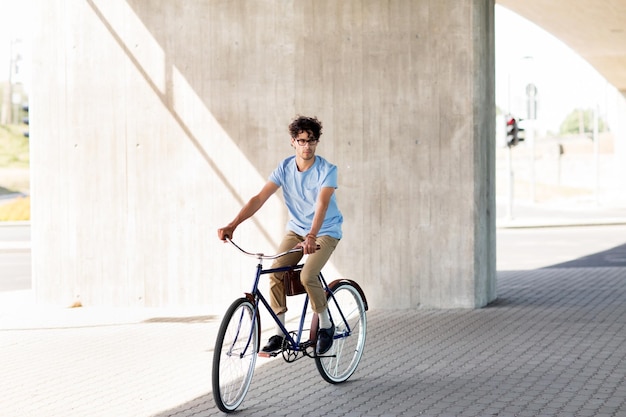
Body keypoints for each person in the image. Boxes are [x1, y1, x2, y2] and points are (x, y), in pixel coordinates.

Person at [217, 115, 343, 355]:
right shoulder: (284, 168)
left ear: (317, 142)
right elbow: (259, 198)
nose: (307, 146)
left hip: (324, 232)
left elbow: (322, 205)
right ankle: (279, 333)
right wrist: (233, 224)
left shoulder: (327, 170)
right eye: (302, 140)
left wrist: (312, 235)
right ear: (293, 141)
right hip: (297, 232)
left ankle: (326, 324)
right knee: (275, 272)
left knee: (308, 276)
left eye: (312, 141)